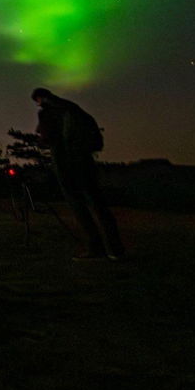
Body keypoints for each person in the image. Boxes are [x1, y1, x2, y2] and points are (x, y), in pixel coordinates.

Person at [32, 87, 125, 260]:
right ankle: (116, 249)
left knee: (78, 206)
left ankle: (95, 248)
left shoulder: (47, 112)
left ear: (39, 99)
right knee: (98, 204)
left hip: (66, 164)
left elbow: (46, 137)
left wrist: (42, 140)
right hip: (85, 161)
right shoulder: (71, 107)